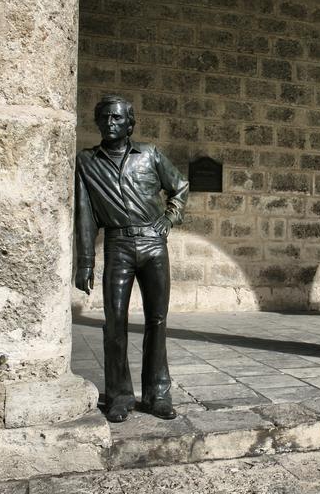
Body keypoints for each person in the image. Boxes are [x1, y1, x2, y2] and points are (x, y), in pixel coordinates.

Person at [74, 95, 188, 422]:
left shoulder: (150, 154)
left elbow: (180, 187)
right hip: (118, 245)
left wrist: (169, 218)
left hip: (154, 244)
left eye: (117, 118)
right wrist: (85, 262)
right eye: (105, 118)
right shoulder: (87, 162)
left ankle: (157, 394)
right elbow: (84, 214)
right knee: (114, 323)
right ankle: (119, 396)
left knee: (157, 320)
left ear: (129, 123)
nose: (110, 123)